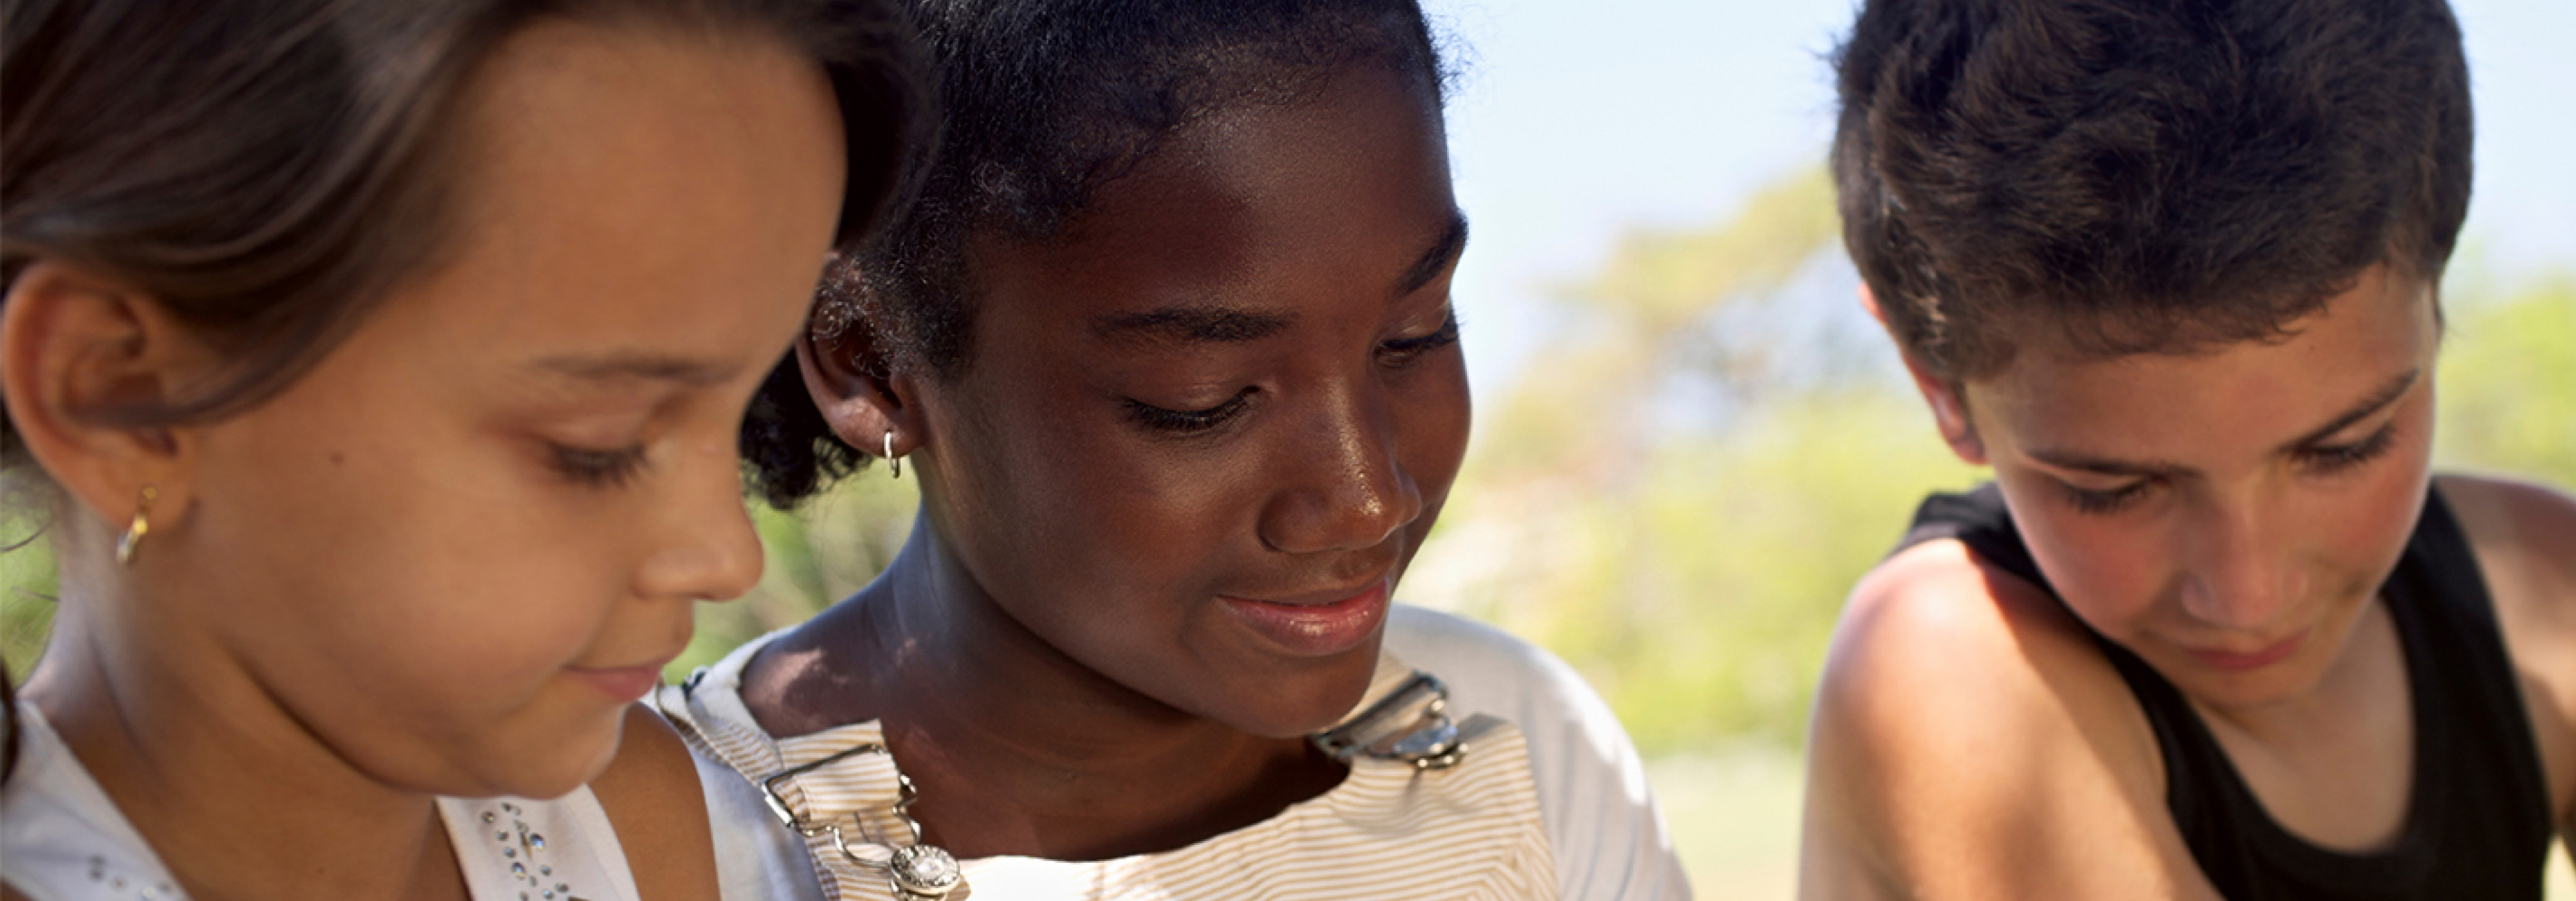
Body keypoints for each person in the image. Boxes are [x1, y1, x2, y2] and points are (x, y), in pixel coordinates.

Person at [614, 1, 1692, 898]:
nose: (1369, 498)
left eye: (1414, 336)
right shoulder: (651, 842)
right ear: (870, 362)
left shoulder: (1519, 740)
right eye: (1203, 401)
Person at [0, 1, 927, 899]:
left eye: (733, 412)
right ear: (125, 398)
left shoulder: (629, 815)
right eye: (594, 447)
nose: (729, 555)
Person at [1798, 0, 2576, 898]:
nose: (2249, 592)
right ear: (1936, 384)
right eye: (2116, 489)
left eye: (2345, 448)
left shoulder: (2535, 590)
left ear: (2434, 302)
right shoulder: (1948, 663)